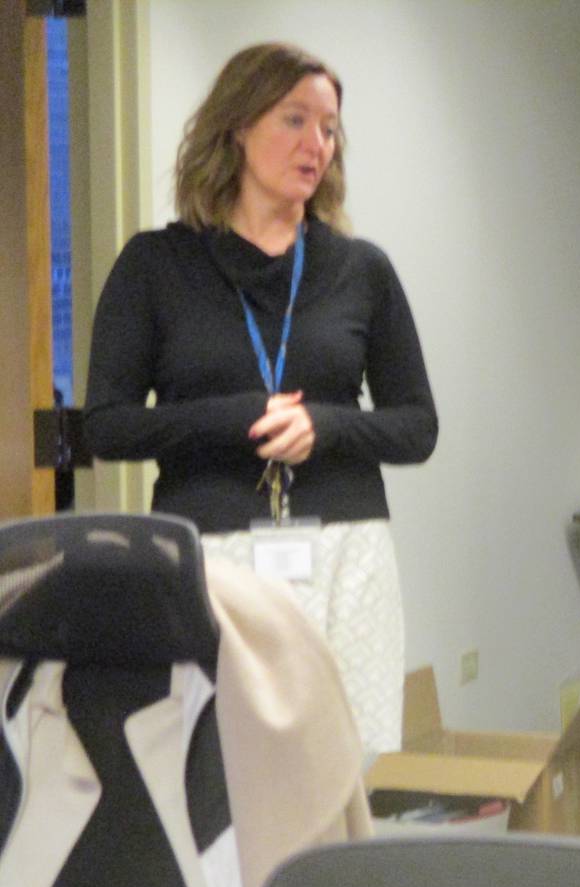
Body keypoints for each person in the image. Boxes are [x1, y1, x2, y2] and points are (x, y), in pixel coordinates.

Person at [84, 43, 437, 759]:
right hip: (209, 552)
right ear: (238, 127)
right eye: (295, 120)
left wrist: (326, 425)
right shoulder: (155, 265)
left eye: (330, 128)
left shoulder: (361, 270)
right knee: (215, 775)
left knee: (336, 773)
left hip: (346, 553)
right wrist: (235, 417)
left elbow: (417, 426)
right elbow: (106, 426)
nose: (317, 146)